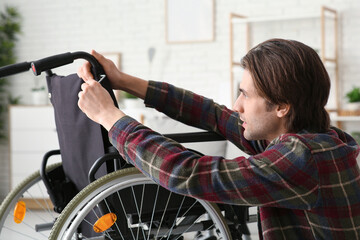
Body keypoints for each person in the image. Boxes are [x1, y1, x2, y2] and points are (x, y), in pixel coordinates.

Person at [77, 38, 360, 240]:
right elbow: (213, 114)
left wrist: (109, 117)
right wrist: (124, 81)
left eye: (246, 95)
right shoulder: (308, 138)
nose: (237, 105)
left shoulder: (302, 158)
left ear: (281, 107)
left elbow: (187, 173)